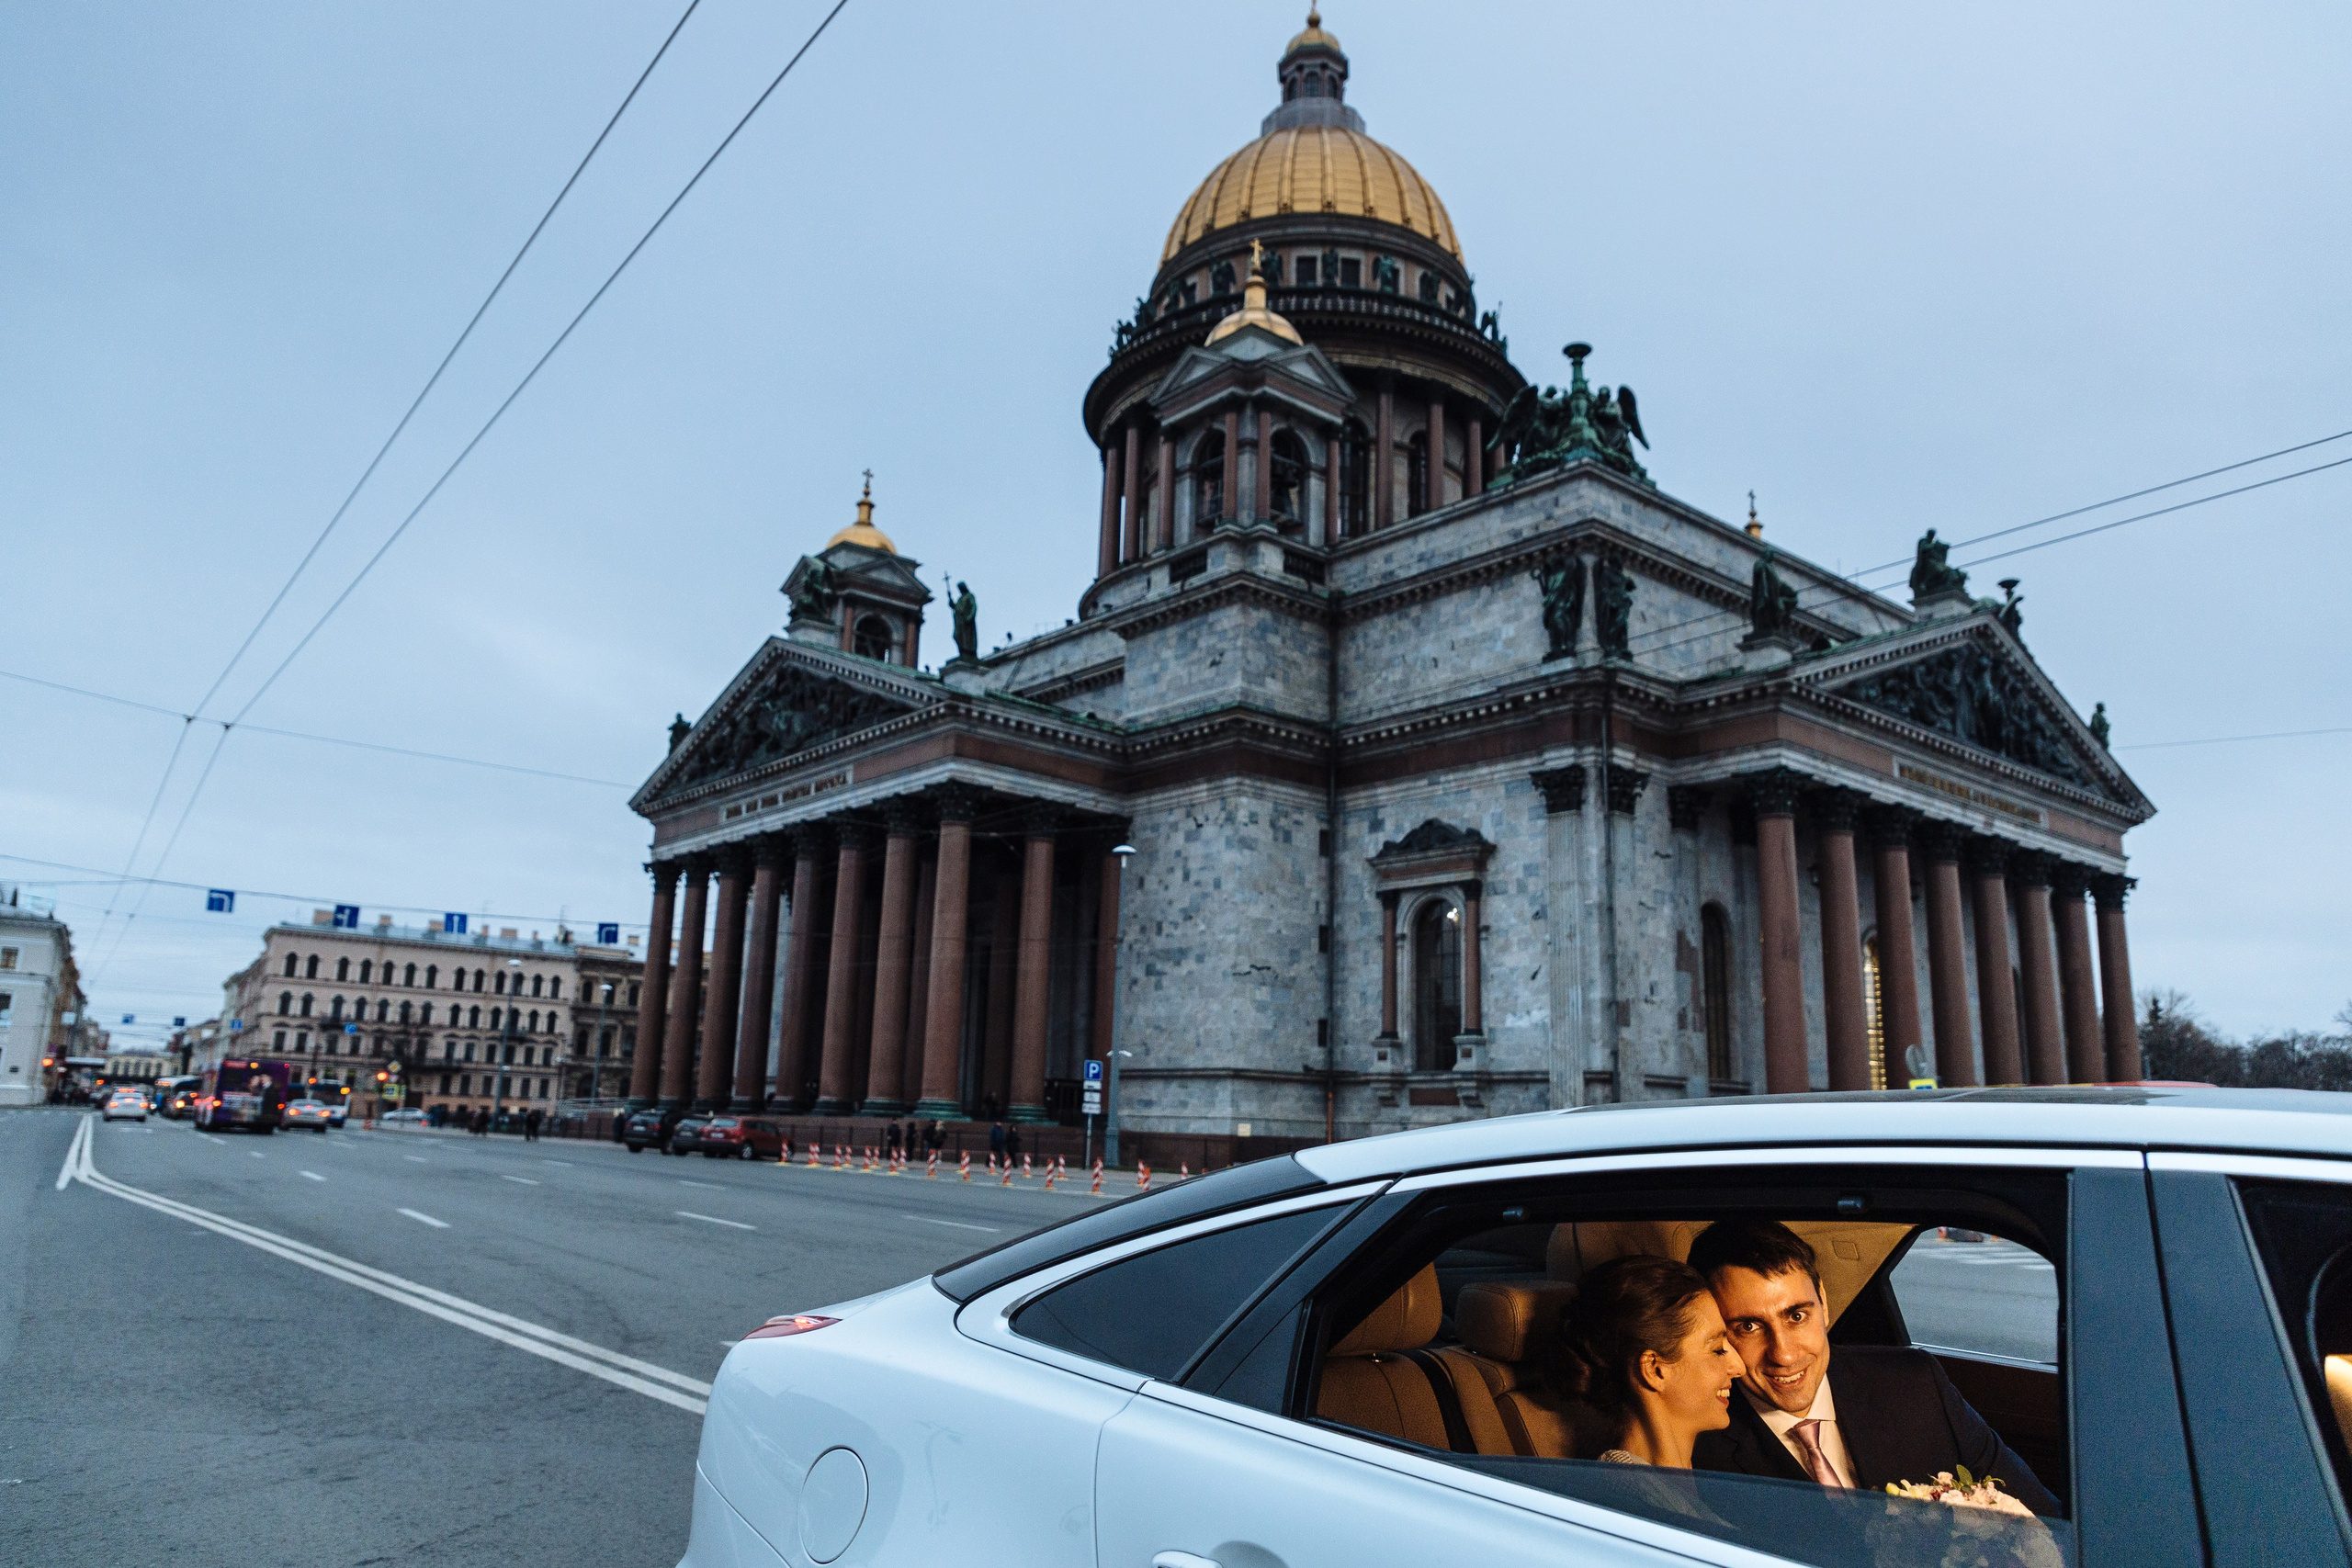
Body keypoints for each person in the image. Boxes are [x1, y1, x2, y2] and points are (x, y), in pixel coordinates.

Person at [1688, 1219, 2060, 1516]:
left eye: (1797, 1316)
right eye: (1748, 1327)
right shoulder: (1697, 1450)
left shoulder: (1915, 1385)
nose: (1783, 1355)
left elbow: (2041, 1518)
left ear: (1824, 1304)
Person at [1549, 1255, 1747, 1471]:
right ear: (1654, 1370)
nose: (1739, 1367)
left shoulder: (1708, 1475)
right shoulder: (1627, 1497)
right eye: (1717, 1350)